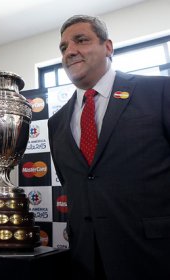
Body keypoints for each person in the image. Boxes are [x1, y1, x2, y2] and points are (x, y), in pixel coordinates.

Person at [48, 15, 170, 279]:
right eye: (63, 47)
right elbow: (73, 183)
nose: (70, 51)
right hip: (85, 260)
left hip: (154, 256)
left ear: (108, 47)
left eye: (81, 40)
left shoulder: (160, 91)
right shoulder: (55, 123)